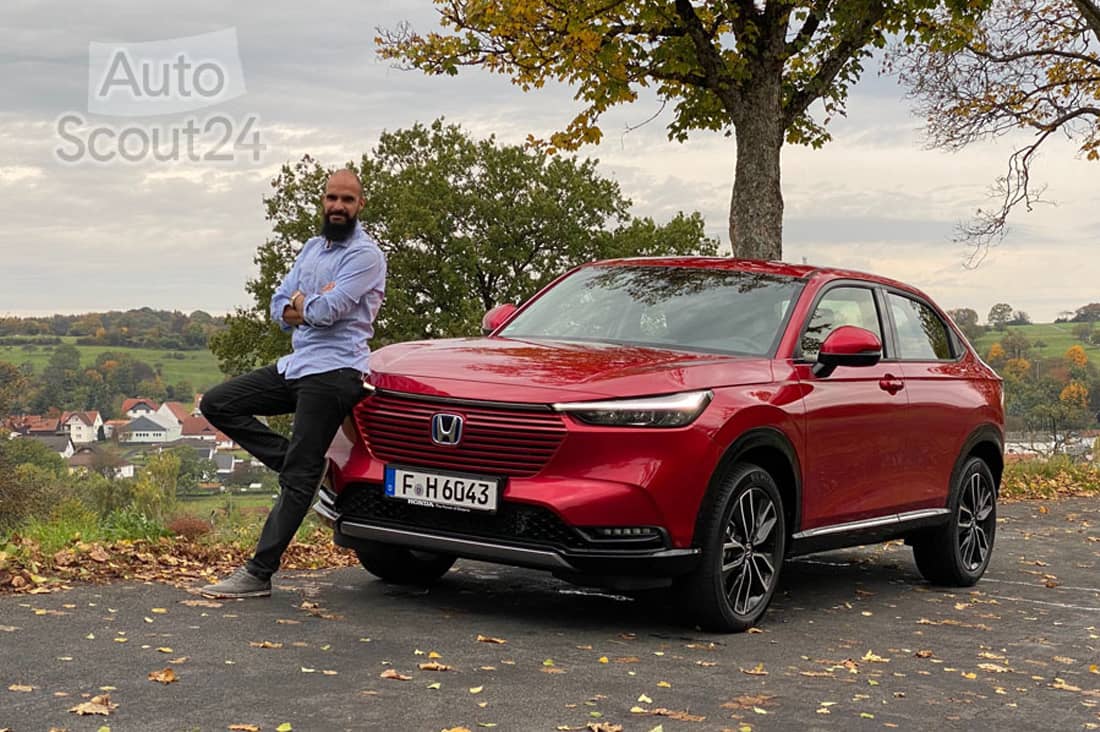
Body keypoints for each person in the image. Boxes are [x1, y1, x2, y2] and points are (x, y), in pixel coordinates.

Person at [199, 169, 386, 599]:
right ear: (322, 201)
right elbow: (277, 304)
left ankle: (258, 573)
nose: (338, 206)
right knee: (219, 403)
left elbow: (328, 312)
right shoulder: (311, 248)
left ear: (360, 205)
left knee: (299, 477)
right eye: (331, 198)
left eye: (347, 200)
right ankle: (295, 462)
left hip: (336, 372)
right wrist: (304, 302)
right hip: (298, 365)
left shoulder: (366, 256)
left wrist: (305, 303)